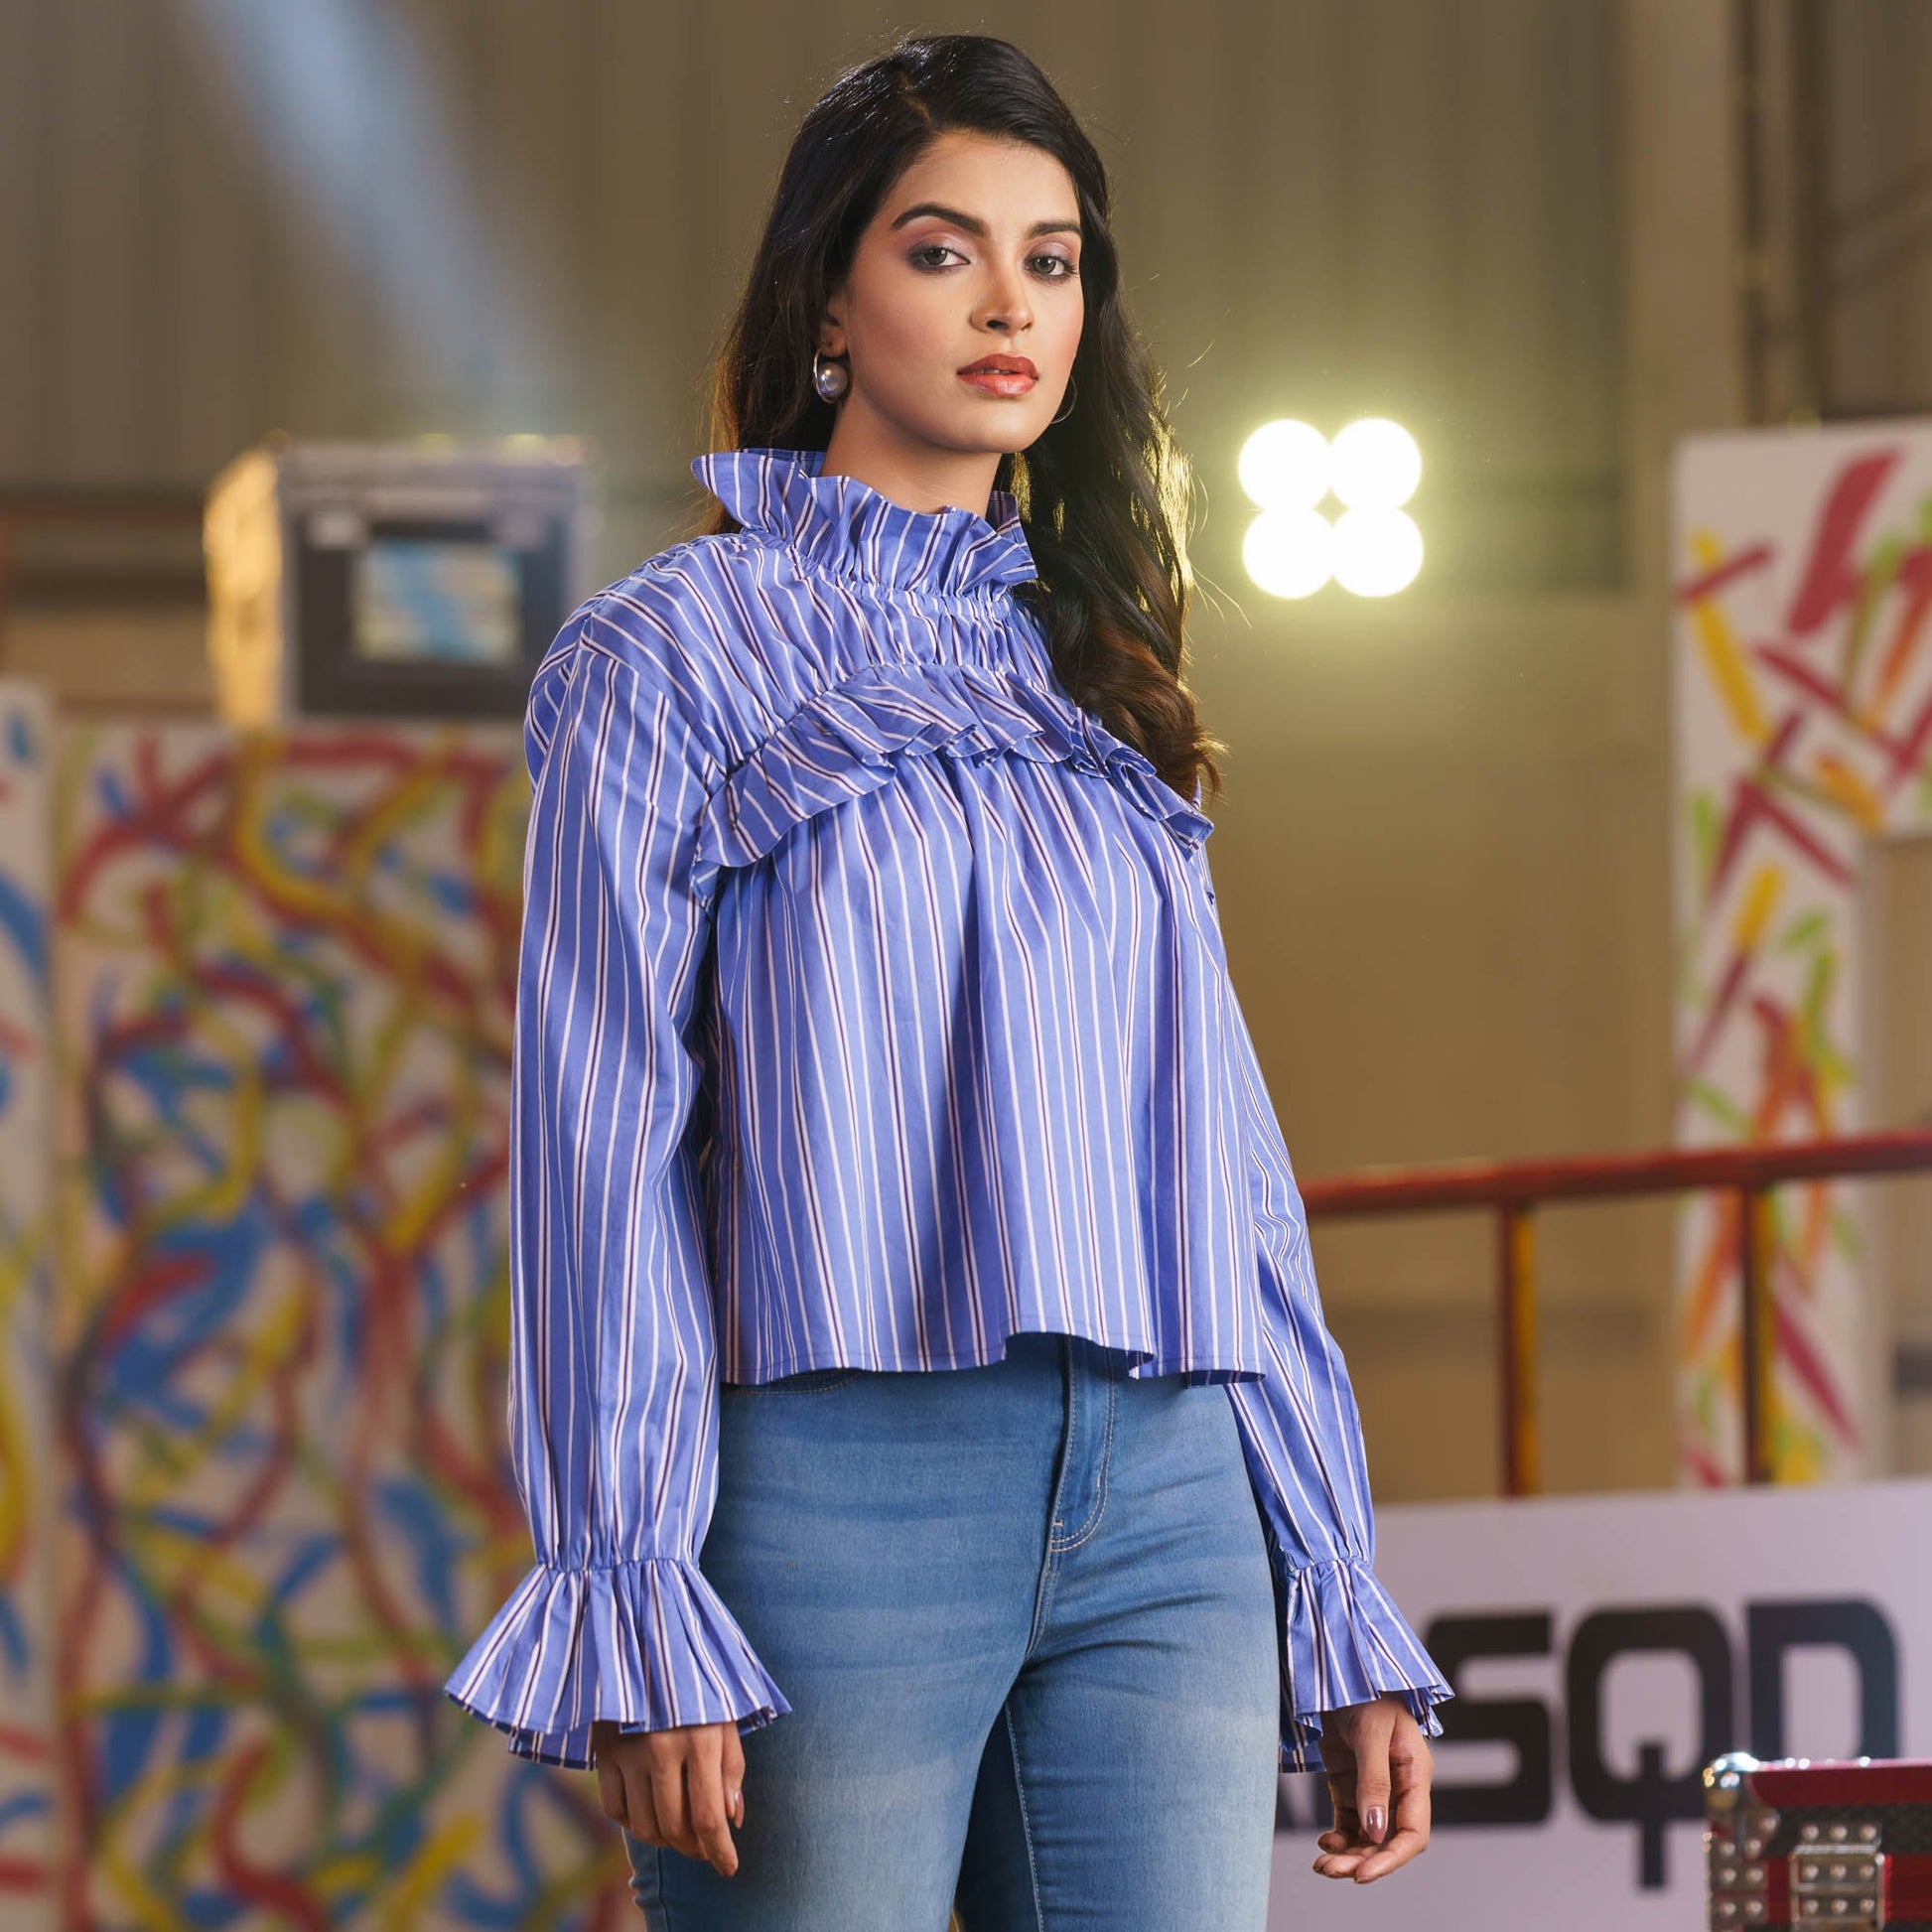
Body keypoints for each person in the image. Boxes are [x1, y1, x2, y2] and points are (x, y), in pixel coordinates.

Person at [444, 31, 1450, 1932]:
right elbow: (598, 1140)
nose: (1010, 304)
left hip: (1168, 1496)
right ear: (828, 300)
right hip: (832, 1497)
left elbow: (1224, 1159)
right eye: (941, 250)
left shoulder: (1100, 678)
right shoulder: (663, 656)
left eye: (1050, 260)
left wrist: (1330, 1564)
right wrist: (631, 1573)